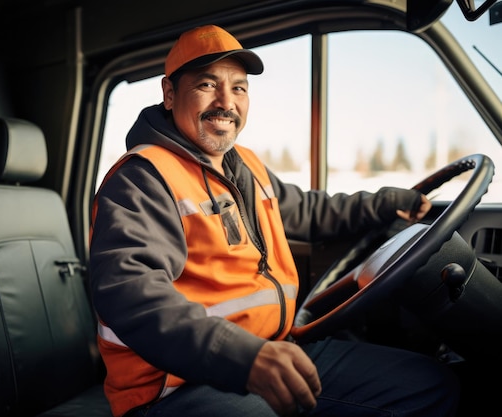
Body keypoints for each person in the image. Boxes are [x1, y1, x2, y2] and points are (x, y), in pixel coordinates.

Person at [89, 25, 459, 417]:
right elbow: (132, 296)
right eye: (206, 85)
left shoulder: (246, 166)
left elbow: (311, 212)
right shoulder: (141, 178)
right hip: (175, 387)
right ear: (169, 93)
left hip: (275, 350)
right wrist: (246, 357)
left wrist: (389, 203)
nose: (225, 102)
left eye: (239, 88)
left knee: (430, 386)